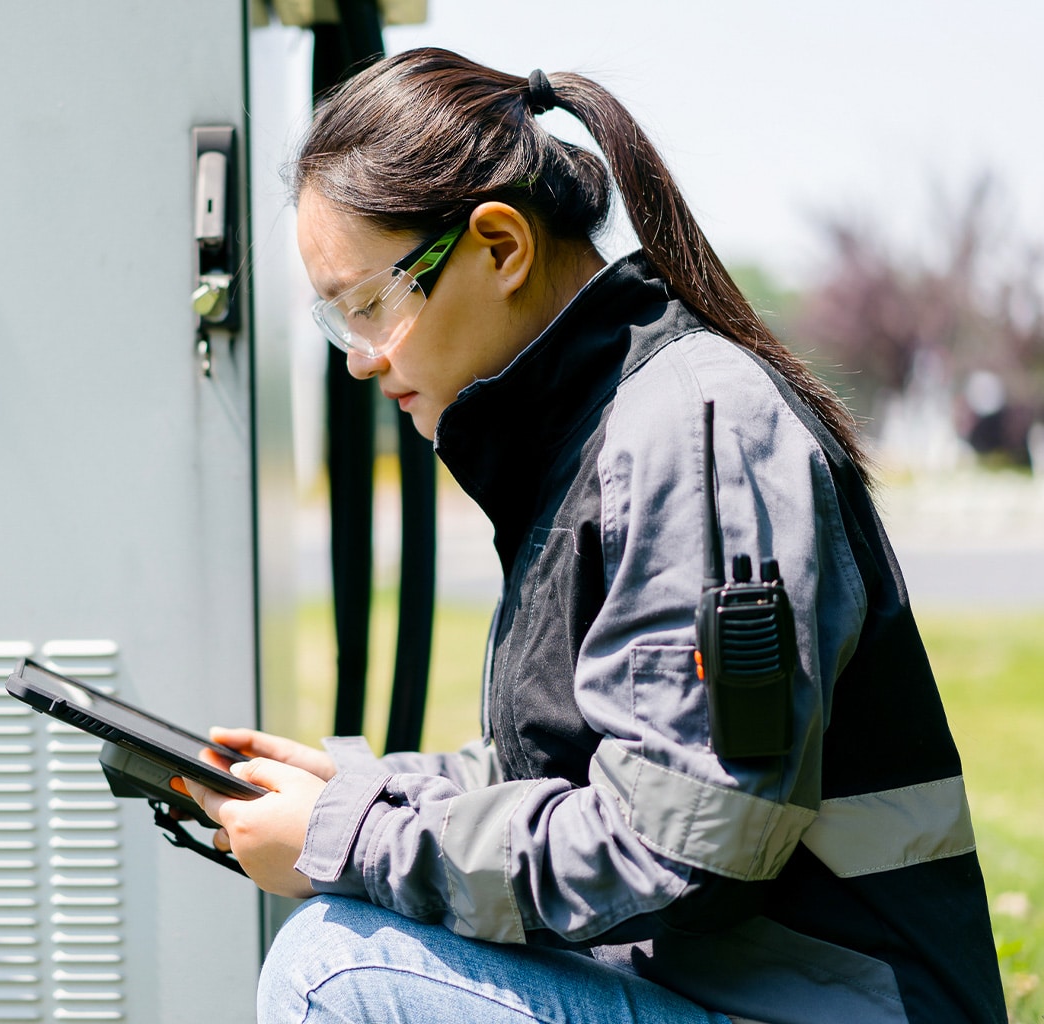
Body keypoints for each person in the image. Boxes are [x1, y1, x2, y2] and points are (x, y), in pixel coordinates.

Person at [182, 48, 1005, 1024]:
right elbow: (575, 772)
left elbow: (684, 845)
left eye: (370, 304)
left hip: (829, 1009)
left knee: (333, 968)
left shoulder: (691, 428)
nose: (360, 359)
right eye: (338, 322)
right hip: (726, 991)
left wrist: (349, 836)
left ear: (500, 247)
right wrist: (364, 789)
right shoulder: (591, 426)